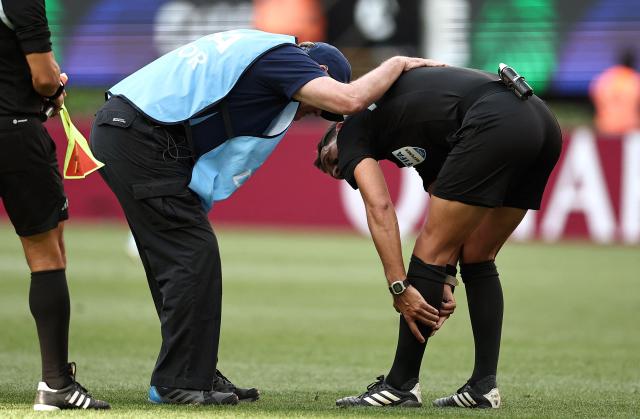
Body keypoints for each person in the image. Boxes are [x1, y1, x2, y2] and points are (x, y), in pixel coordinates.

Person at [89, 28, 444, 405]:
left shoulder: (260, 55)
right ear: (318, 70)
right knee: (193, 255)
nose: (303, 113)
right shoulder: (284, 59)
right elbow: (350, 98)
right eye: (310, 106)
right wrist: (399, 62)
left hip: (132, 132)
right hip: (139, 137)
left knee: (189, 257)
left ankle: (196, 373)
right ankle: (179, 381)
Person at [314, 65, 562, 409]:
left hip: (495, 119)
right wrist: (445, 275)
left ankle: (400, 386)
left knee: (427, 247)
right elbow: (448, 215)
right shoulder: (410, 134)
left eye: (332, 159)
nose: (340, 170)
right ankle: (482, 387)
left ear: (337, 129)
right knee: (477, 254)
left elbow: (381, 208)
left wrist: (399, 285)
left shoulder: (353, 123)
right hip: (540, 120)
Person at [0, 0, 109, 411]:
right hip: (13, 133)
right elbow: (44, 79)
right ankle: (55, 384)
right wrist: (54, 88)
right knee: (46, 254)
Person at [589, 49, 640, 136]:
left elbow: (593, 94)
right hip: (630, 128)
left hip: (605, 127)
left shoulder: (605, 78)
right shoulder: (635, 80)